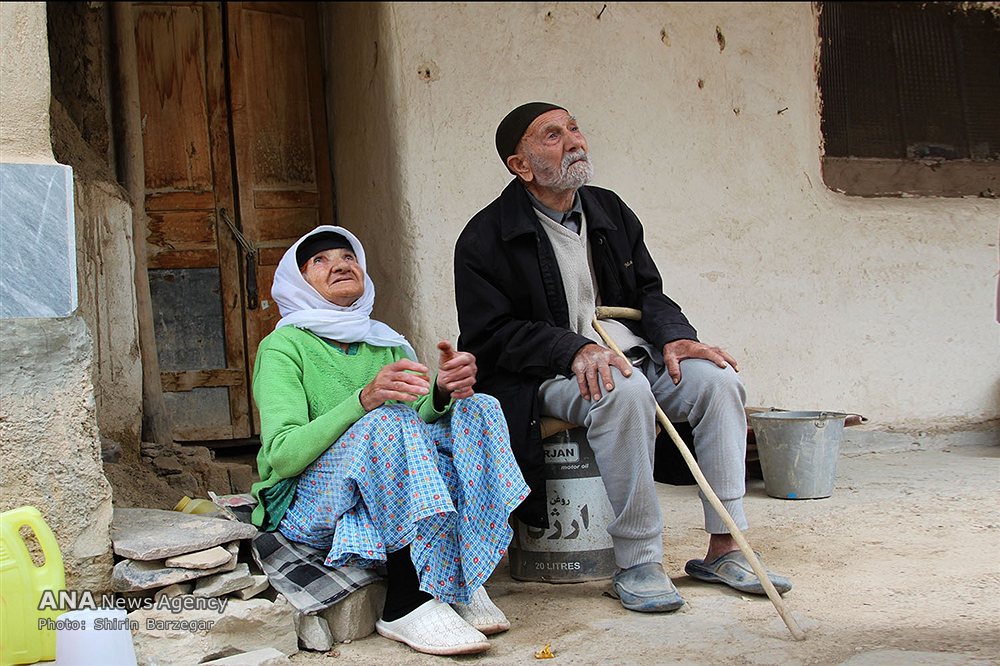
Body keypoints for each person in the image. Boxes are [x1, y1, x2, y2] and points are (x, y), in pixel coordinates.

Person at [453, 102, 791, 613]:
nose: (573, 141)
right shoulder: (484, 237)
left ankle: (726, 547)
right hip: (546, 375)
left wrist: (676, 336)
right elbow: (491, 336)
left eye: (573, 128)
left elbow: (649, 293)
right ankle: (638, 561)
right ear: (519, 166)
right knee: (621, 389)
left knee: (717, 380)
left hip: (631, 355)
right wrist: (572, 348)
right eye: (552, 135)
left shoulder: (609, 209)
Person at [250, 225, 530, 655]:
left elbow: (418, 420)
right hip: (307, 500)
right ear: (297, 283)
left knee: (480, 408)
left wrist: (443, 389)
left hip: (378, 485)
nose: (340, 264)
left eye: (348, 257)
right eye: (320, 262)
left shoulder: (384, 341)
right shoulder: (283, 347)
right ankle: (406, 600)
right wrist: (362, 401)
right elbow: (283, 457)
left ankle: (459, 572)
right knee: (386, 422)